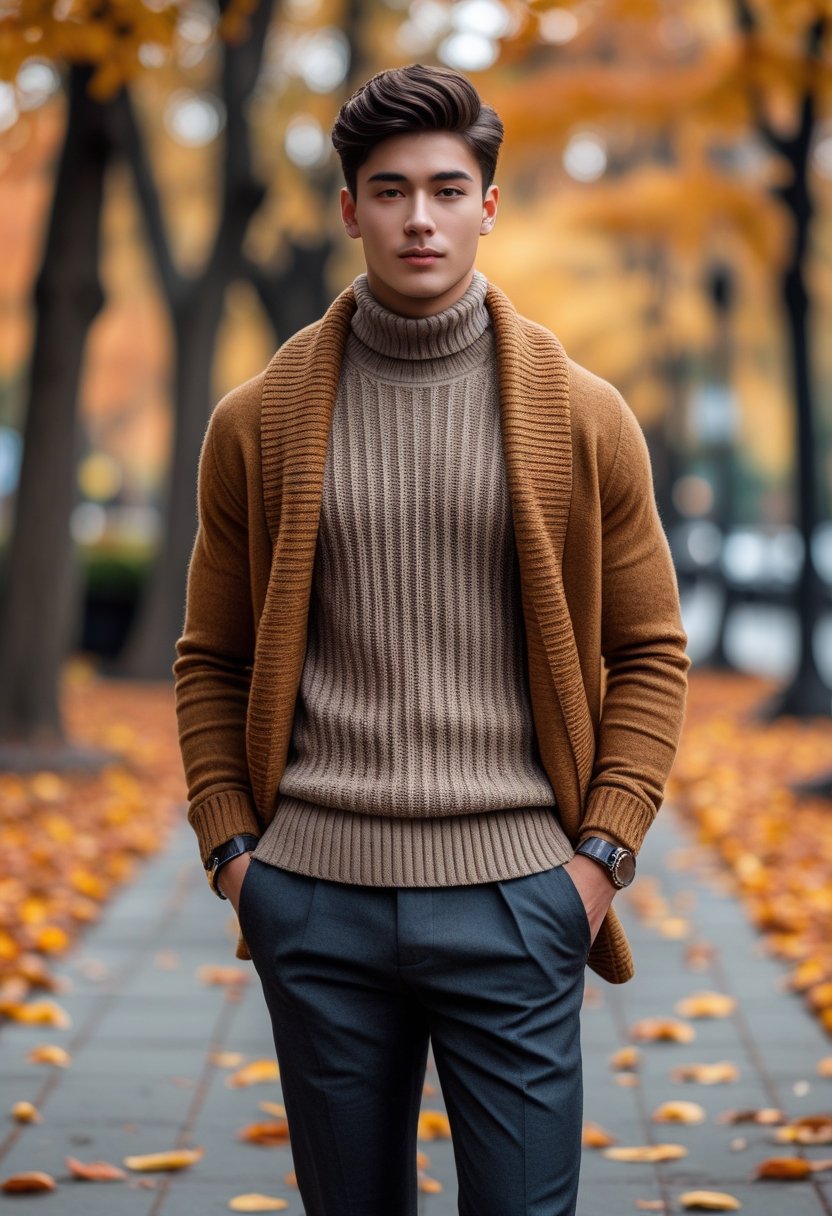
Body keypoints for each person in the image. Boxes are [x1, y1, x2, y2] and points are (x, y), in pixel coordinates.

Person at [173, 62, 690, 1216]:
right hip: (313, 891)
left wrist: (598, 862)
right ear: (348, 207)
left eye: (449, 189)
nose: (420, 218)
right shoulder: (255, 421)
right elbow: (211, 656)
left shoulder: (584, 415)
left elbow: (650, 650)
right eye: (390, 189)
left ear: (488, 206)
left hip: (520, 892)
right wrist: (234, 857)